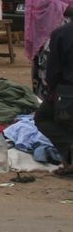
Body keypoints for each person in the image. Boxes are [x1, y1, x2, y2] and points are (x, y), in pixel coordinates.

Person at [24, 0, 73, 99]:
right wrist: (64, 8)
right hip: (43, 39)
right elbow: (35, 10)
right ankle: (44, 103)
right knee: (45, 72)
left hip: (66, 36)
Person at [34, 19, 73, 176]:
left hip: (67, 92)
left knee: (42, 117)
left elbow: (53, 71)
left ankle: (69, 151)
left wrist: (51, 93)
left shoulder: (61, 33)